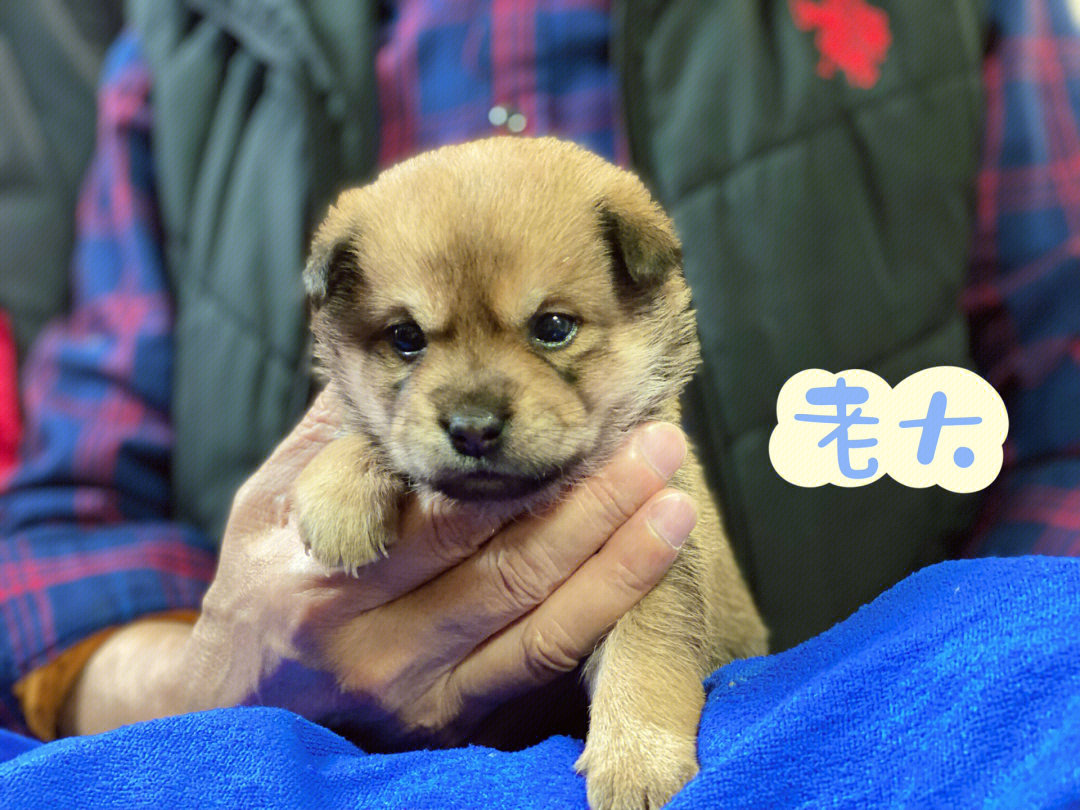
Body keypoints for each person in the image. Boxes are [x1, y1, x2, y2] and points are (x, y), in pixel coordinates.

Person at [0, 0, 999, 748]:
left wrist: (928, 734)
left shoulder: (963, 20)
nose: (473, 406)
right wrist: (205, 684)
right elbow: (63, 532)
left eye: (554, 328)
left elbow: (1065, 447)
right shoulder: (194, 36)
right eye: (406, 340)